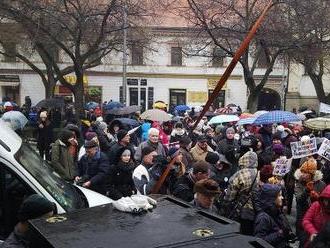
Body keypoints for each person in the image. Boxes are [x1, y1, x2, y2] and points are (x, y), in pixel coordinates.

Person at [224, 151, 259, 235]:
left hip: (243, 209)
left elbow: (230, 196)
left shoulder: (239, 174)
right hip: (257, 208)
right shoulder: (259, 173)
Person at [294, 158, 326, 246]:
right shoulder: (299, 183)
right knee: (303, 239)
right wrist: (306, 191)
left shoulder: (321, 184)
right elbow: (299, 199)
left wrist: (318, 197)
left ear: (311, 174)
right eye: (302, 172)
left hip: (316, 216)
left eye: (305, 173)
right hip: (302, 214)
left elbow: (325, 202)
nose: (303, 175)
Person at [254, 184, 292, 248]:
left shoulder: (277, 211)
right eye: (279, 195)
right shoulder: (263, 218)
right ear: (271, 198)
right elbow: (259, 241)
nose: (282, 198)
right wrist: (280, 233)